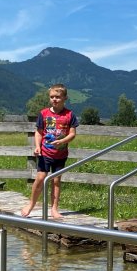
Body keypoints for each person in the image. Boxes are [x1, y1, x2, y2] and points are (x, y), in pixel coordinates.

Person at [21, 84, 78, 219]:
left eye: (58, 97)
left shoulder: (69, 115)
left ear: (65, 98)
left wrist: (63, 142)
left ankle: (54, 209)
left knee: (56, 181)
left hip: (61, 154)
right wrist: (37, 146)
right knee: (40, 178)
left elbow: (73, 134)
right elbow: (39, 132)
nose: (54, 99)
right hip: (45, 153)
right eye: (52, 97)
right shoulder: (44, 113)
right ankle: (31, 204)